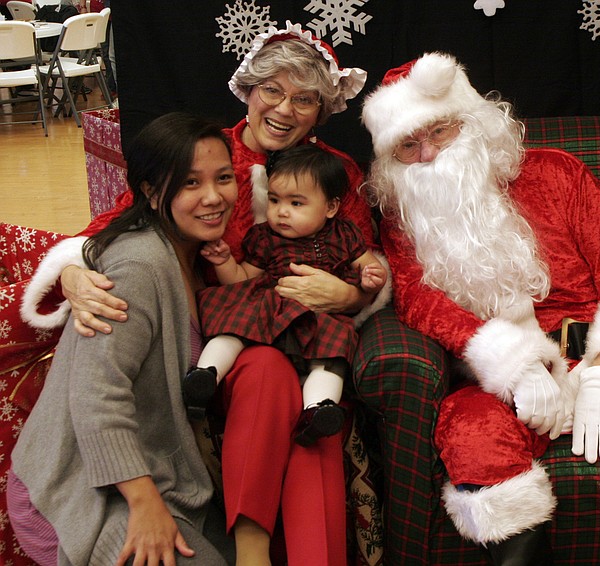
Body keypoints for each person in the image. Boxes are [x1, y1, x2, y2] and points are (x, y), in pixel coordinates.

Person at [20, 22, 388, 566]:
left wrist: (350, 296)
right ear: (249, 90)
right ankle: (252, 549)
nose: (285, 109)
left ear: (322, 109)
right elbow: (117, 229)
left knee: (304, 405)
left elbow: (367, 262)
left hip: (301, 338)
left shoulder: (335, 172)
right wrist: (75, 270)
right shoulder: (205, 156)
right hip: (216, 334)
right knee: (263, 370)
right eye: (272, 91)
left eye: (304, 99)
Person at [361, 52, 600, 565]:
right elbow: (423, 305)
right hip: (494, 382)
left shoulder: (557, 174)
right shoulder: (403, 218)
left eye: (440, 131)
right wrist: (516, 368)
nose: (427, 154)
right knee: (474, 439)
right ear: (391, 159)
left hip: (595, 358)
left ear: (472, 122)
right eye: (407, 144)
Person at [9, 112, 235, 566]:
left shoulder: (201, 256)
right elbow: (97, 394)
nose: (213, 197)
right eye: (190, 183)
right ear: (151, 192)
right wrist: (144, 502)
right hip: (79, 486)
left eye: (224, 177)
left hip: (152, 471)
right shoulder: (140, 266)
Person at [185, 144, 387, 446]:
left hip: (318, 318)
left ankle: (318, 411)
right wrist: (224, 262)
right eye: (275, 200)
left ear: (330, 208)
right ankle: (204, 376)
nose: (281, 212)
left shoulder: (344, 234)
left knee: (332, 356)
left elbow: (370, 266)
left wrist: (372, 278)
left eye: (296, 203)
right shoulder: (265, 236)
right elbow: (241, 279)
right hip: (271, 307)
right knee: (236, 325)